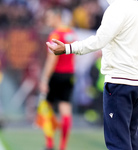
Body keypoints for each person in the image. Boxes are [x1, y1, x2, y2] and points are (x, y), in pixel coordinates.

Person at [47, 0, 138, 150]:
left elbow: (99, 40)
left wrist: (69, 48)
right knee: (131, 136)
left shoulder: (117, 8)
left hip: (120, 81)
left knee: (118, 141)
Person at [39, 7, 76, 150]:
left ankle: (49, 143)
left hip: (56, 74)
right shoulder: (72, 34)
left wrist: (44, 79)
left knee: (46, 108)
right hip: (69, 74)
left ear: (57, 17)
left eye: (49, 17)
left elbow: (51, 59)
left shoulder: (54, 35)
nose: (47, 20)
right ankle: (63, 146)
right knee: (65, 107)